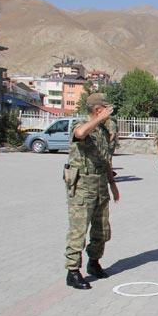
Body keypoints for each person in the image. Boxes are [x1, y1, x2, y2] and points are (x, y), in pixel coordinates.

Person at [62, 93, 119, 290]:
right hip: (82, 185)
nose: (109, 113)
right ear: (97, 109)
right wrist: (100, 119)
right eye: (106, 109)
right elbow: (80, 134)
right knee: (79, 229)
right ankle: (73, 271)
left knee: (101, 229)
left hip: (101, 183)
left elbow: (106, 160)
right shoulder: (80, 124)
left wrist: (113, 185)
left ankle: (94, 262)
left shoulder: (102, 130)